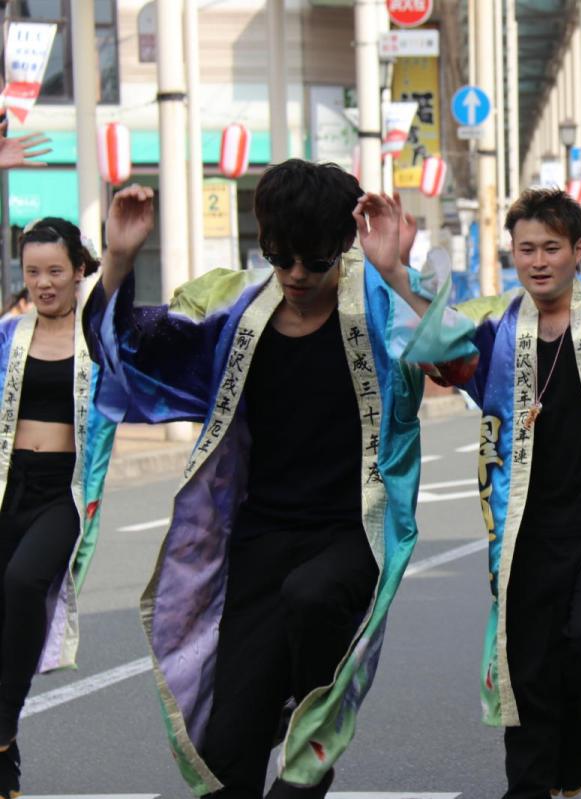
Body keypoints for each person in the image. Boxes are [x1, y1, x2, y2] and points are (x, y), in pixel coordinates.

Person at [84, 163, 426, 798]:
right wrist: (119, 260)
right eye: (280, 257)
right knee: (224, 761)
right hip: (260, 540)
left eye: (314, 260)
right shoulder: (235, 312)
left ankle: (312, 717)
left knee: (313, 597)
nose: (296, 276)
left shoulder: (378, 304)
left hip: (353, 534)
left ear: (344, 247)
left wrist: (398, 274)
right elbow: (128, 349)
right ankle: (279, 706)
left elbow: (453, 355)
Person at [389, 187, 581, 799]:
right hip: (526, 525)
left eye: (551, 247)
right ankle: (526, 785)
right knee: (525, 662)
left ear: (578, 251)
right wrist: (395, 269)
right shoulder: (501, 326)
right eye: (525, 248)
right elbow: (444, 353)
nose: (537, 260)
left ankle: (573, 720)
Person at [0, 219, 119, 797]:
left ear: (78, 271)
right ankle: (5, 758)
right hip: (7, 487)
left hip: (62, 494)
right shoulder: (7, 337)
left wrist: (122, 252)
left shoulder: (97, 340)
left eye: (55, 271)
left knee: (24, 585)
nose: (43, 283)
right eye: (32, 272)